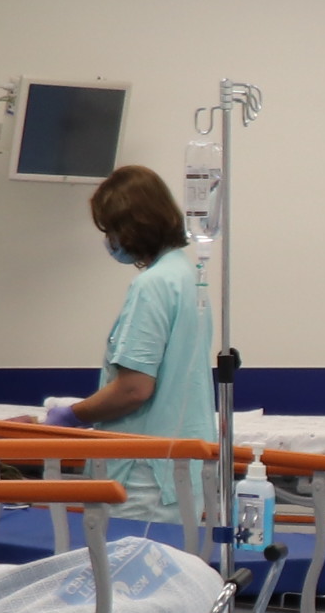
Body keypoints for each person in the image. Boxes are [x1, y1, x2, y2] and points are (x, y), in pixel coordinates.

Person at [47, 166, 217, 523]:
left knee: (129, 560)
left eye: (111, 230)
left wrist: (73, 415)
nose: (110, 240)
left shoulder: (152, 285)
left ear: (132, 226)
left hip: (145, 477)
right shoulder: (188, 277)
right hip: (179, 470)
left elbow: (134, 389)